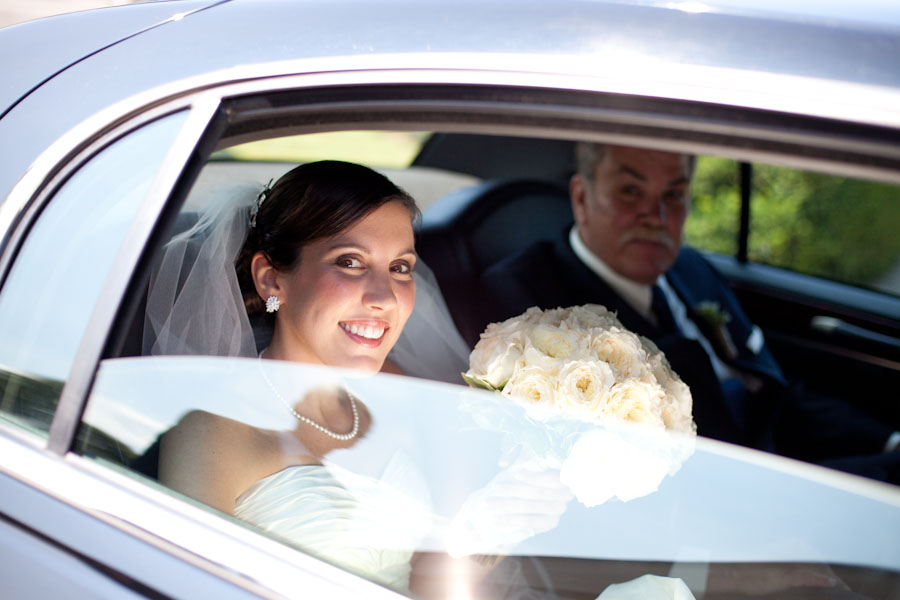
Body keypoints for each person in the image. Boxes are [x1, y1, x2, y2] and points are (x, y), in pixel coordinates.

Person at [147, 160, 569, 596]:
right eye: (350, 262)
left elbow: (431, 586)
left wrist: (485, 531)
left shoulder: (397, 390)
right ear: (272, 280)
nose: (384, 298)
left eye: (400, 268)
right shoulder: (213, 426)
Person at [476, 143, 900, 481]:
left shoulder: (691, 268)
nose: (657, 217)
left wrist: (887, 442)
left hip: (781, 455)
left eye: (674, 195)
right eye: (630, 191)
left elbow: (772, 393)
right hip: (726, 501)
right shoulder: (531, 306)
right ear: (582, 198)